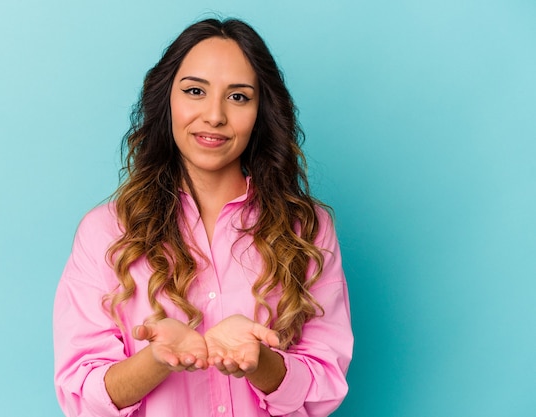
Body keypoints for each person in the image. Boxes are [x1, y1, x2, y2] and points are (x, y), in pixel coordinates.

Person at [53, 17, 353, 417]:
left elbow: (325, 383)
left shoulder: (307, 230)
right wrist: (157, 359)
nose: (214, 116)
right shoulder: (105, 232)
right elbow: (81, 393)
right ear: (167, 101)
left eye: (239, 97)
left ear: (261, 111)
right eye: (195, 91)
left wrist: (259, 361)